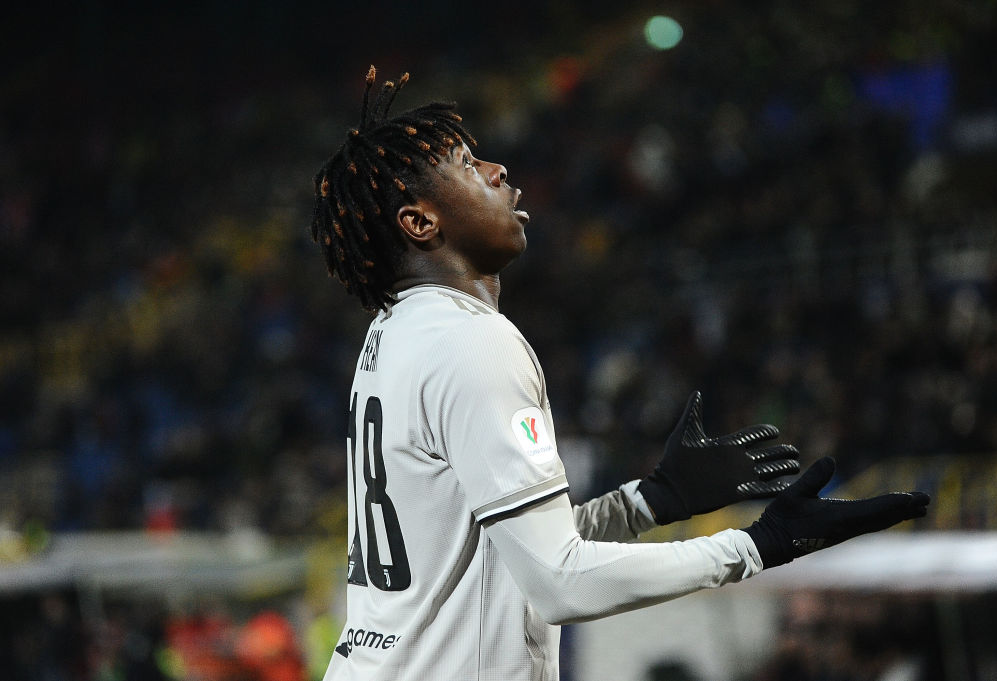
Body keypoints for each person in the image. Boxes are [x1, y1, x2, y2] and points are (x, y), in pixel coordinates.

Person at [309, 67, 930, 681]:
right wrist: (757, 547)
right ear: (419, 222)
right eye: (469, 165)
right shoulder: (471, 342)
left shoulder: (393, 336)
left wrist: (649, 501)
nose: (498, 171)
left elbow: (506, 557)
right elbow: (559, 583)